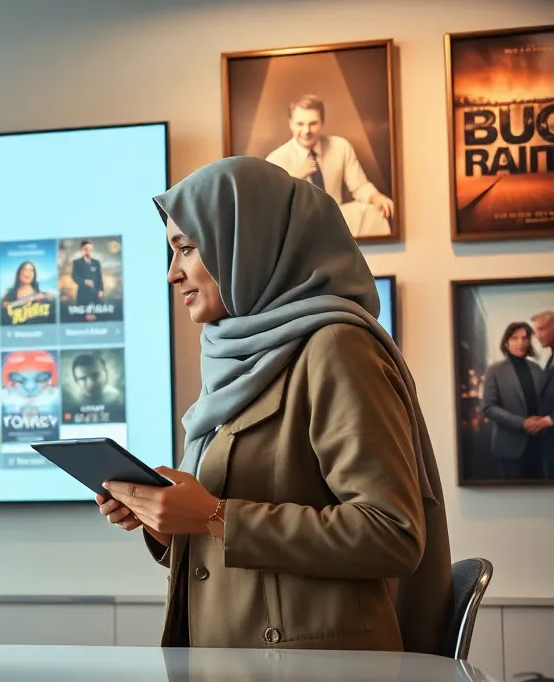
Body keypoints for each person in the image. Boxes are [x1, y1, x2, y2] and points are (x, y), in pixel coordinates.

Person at [98, 156, 451, 654]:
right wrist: (167, 519)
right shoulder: (237, 359)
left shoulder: (337, 347)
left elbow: (391, 533)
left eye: (186, 249)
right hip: (234, 679)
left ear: (248, 242)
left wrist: (213, 515)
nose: (172, 274)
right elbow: (235, 543)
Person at [264, 94, 395, 238]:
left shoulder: (340, 147)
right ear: (290, 124)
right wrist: (293, 178)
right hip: (300, 229)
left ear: (322, 122)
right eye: (300, 124)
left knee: (374, 211)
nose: (307, 131)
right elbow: (272, 210)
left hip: (337, 219)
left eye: (313, 123)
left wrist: (376, 197)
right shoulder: (276, 159)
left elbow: (359, 186)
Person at [480, 322, 547, 480]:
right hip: (510, 445)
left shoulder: (537, 369)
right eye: (514, 338)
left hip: (539, 444)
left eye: (524, 338)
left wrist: (542, 421)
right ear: (506, 342)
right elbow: (488, 407)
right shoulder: (495, 370)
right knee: (514, 492)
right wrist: (522, 423)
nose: (520, 343)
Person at [531, 310, 554, 478]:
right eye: (535, 331)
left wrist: (549, 420)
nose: (537, 335)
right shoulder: (550, 358)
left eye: (541, 329)